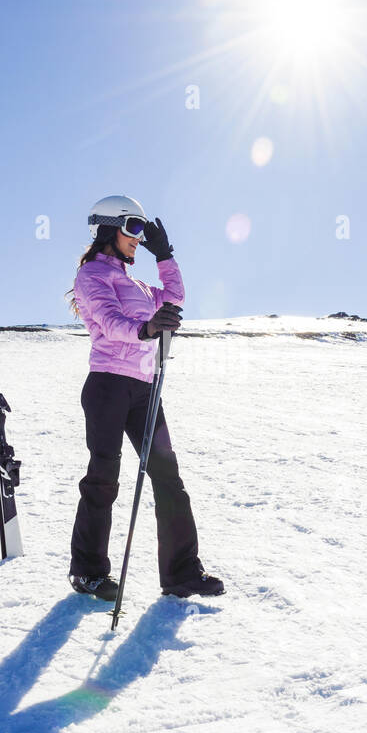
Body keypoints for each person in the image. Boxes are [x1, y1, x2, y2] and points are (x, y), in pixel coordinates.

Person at [67, 195, 224, 601]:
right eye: (132, 229)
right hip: (107, 386)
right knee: (104, 477)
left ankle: (182, 573)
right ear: (107, 229)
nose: (139, 238)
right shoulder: (92, 276)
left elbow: (175, 297)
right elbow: (109, 321)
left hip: (144, 386)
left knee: (168, 477)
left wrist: (165, 254)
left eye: (143, 230)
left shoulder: (136, 282)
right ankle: (88, 572)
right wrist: (147, 330)